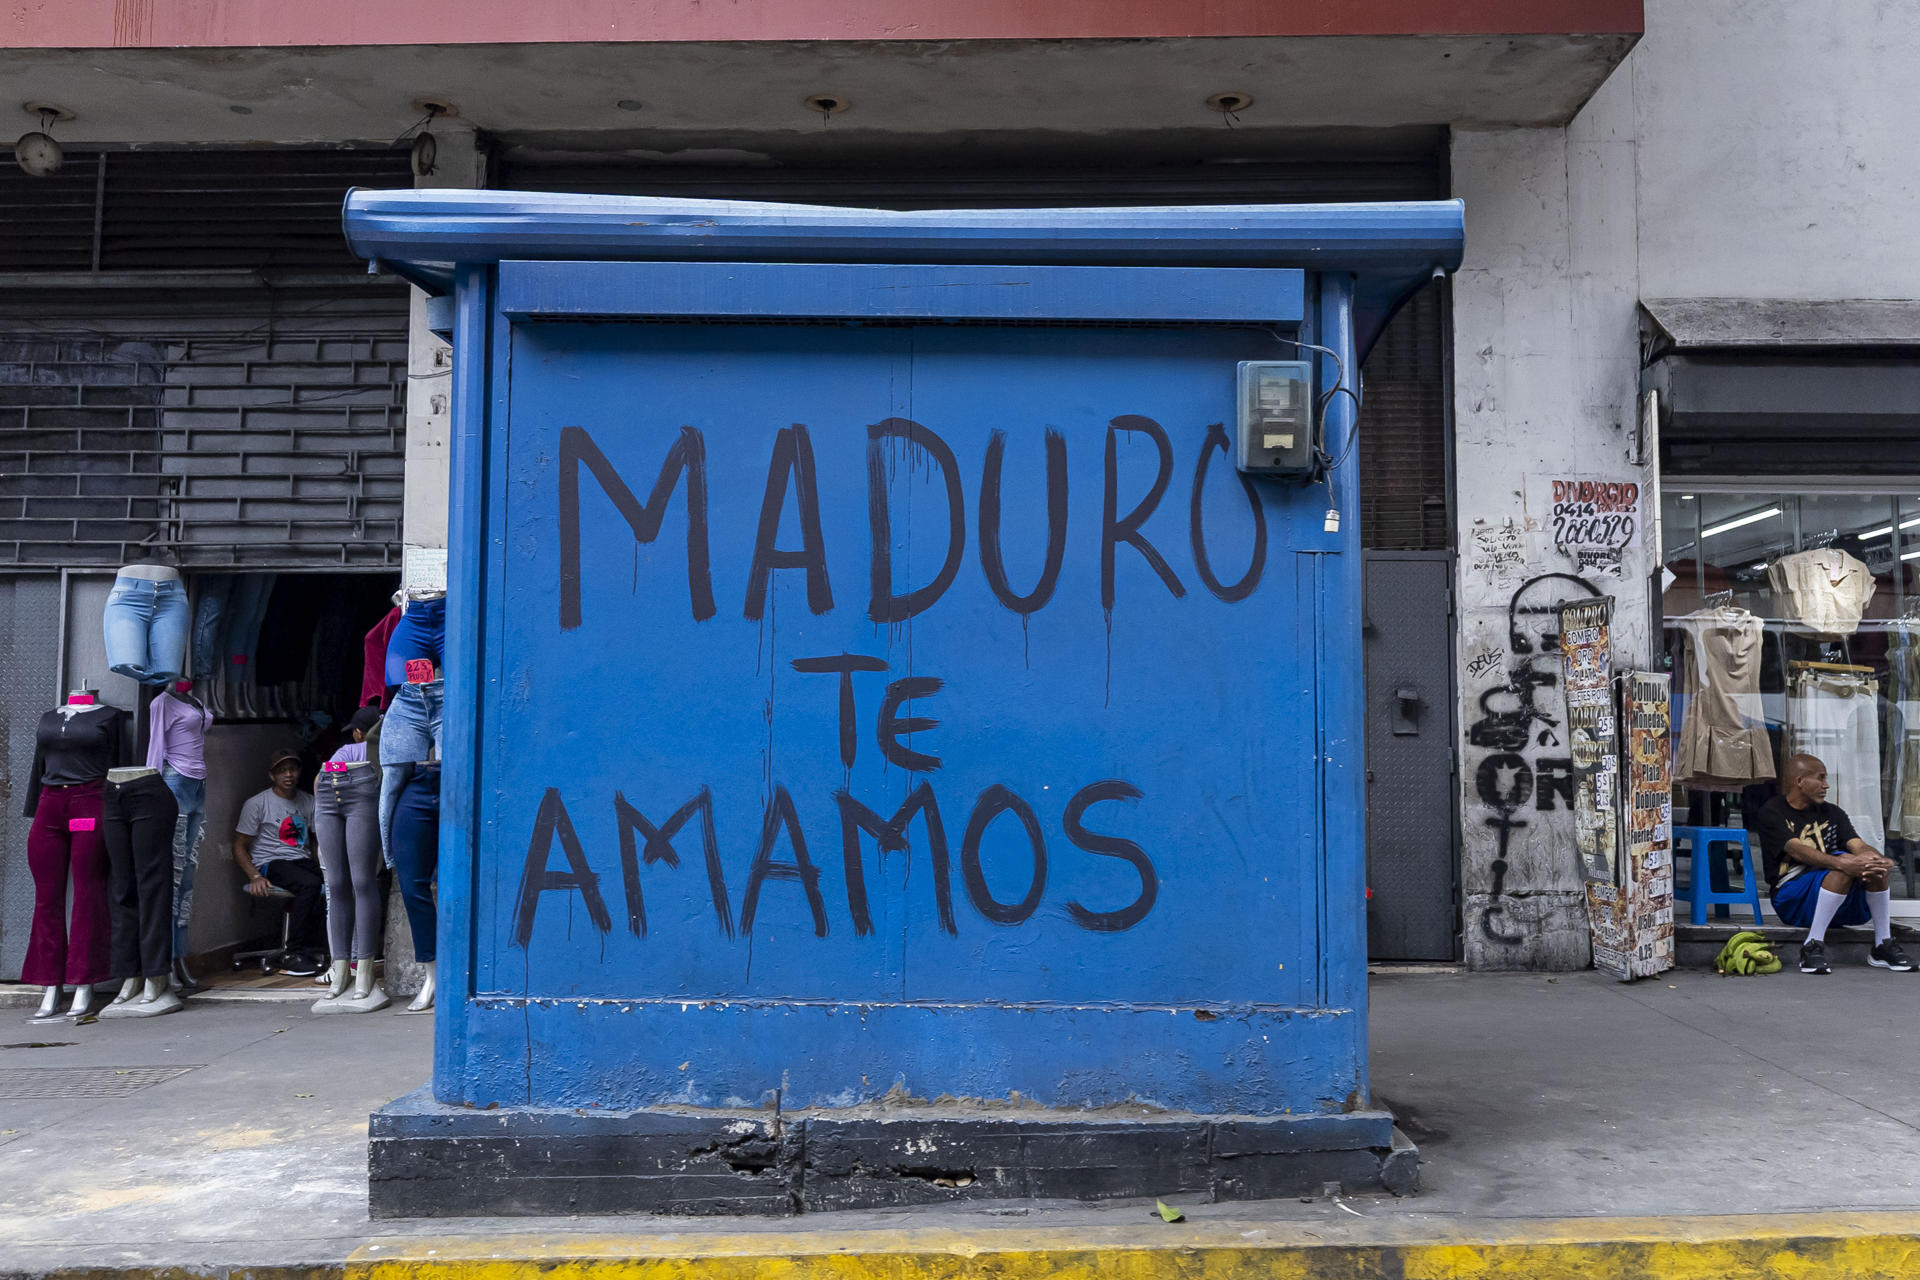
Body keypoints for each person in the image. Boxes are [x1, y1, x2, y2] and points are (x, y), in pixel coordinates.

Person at [1758, 753, 1912, 975]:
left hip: (1841, 906)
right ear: (1800, 781)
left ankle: (1882, 944)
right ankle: (1812, 944)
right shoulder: (1773, 811)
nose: (1826, 785)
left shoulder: (1833, 813)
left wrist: (1877, 860)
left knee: (1868, 865)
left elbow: (1858, 846)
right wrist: (1844, 863)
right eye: (1820, 778)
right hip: (1792, 900)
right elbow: (1797, 850)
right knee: (1842, 865)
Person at [231, 747, 325, 975]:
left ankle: (329, 948)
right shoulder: (258, 803)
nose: (288, 775)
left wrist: (324, 865)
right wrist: (255, 875)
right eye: (282, 771)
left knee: (339, 881)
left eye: (292, 769)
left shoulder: (308, 801)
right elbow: (239, 846)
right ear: (272, 775)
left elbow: (313, 841)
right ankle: (293, 954)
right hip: (272, 862)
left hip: (301, 861)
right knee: (309, 885)